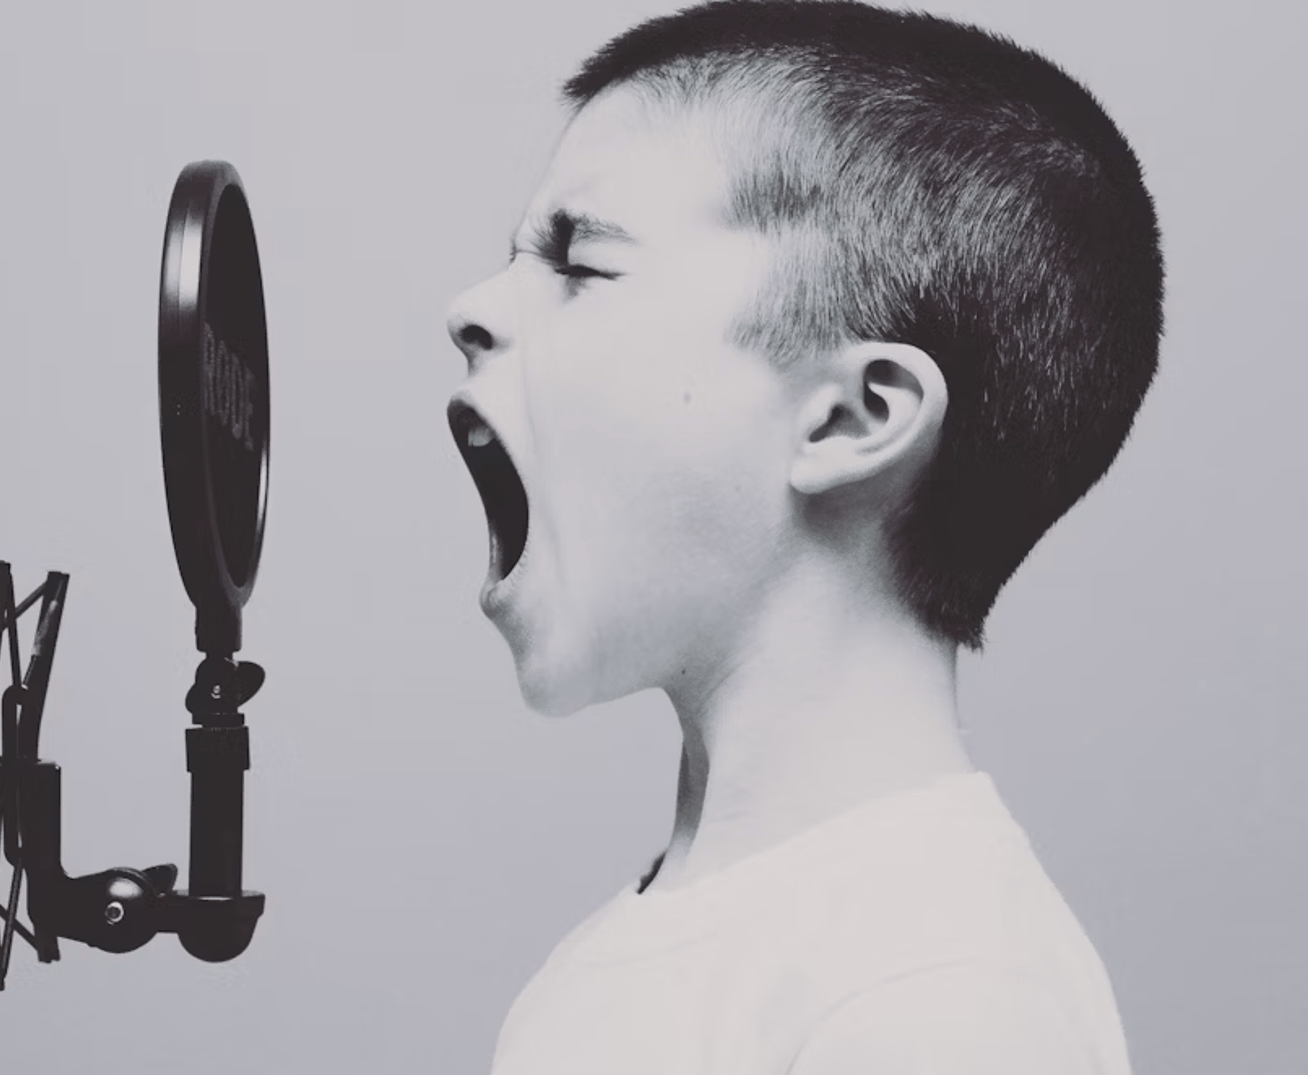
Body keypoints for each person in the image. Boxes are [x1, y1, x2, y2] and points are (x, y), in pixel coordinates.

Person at [442, 2, 1160, 1072]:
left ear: (853, 416)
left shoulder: (936, 1002)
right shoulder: (655, 947)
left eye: (580, 261)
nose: (473, 308)